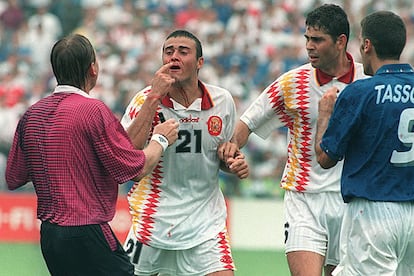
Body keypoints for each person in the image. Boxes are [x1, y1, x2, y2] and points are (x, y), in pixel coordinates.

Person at [5, 33, 179, 276]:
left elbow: (14, 177)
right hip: (87, 231)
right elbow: (136, 168)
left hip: (50, 236)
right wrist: (161, 138)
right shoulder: (92, 111)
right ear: (93, 69)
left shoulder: (32, 114)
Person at [219, 4, 367, 276]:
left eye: (318, 40)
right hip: (304, 199)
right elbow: (248, 121)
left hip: (351, 202)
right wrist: (232, 151)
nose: (309, 46)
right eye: (307, 38)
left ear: (341, 41)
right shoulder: (292, 83)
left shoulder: (366, 82)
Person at [121, 29, 249, 276]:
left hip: (205, 226)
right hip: (152, 225)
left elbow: (220, 154)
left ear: (200, 62)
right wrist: (153, 97)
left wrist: (232, 162)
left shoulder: (222, 101)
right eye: (168, 52)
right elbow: (127, 157)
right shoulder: (145, 100)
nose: (174, 57)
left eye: (183, 51)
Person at [315, 11, 414, 275]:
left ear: (367, 45)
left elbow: (325, 158)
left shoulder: (360, 92)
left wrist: (325, 115)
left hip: (373, 211)